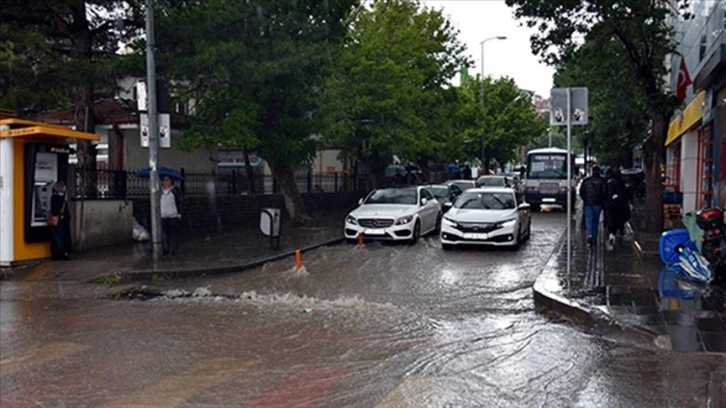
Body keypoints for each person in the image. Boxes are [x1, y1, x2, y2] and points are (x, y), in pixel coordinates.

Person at [579, 165, 607, 247]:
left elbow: (581, 192)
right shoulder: (602, 181)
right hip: (598, 203)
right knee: (596, 220)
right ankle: (594, 236)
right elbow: (605, 193)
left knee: (589, 219)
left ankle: (590, 234)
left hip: (588, 204)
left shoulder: (586, 181)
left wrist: (585, 199)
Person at [604, 168, 632, 249]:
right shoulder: (623, 184)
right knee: (620, 220)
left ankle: (612, 234)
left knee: (611, 221)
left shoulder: (609, 183)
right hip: (621, 206)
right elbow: (627, 194)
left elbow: (606, 194)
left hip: (611, 206)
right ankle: (620, 232)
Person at [160, 175, 184, 256]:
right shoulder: (160, 192)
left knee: (173, 234)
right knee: (165, 234)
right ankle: (166, 249)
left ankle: (173, 249)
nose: (165, 182)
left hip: (173, 216)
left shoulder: (175, 191)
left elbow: (180, 202)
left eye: (167, 180)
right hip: (163, 216)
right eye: (164, 180)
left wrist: (180, 213)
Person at [50, 181, 72, 260]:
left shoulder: (59, 197)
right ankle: (57, 254)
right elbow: (55, 209)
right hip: (59, 220)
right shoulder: (56, 197)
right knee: (58, 238)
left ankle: (61, 253)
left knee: (61, 238)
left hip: (62, 220)